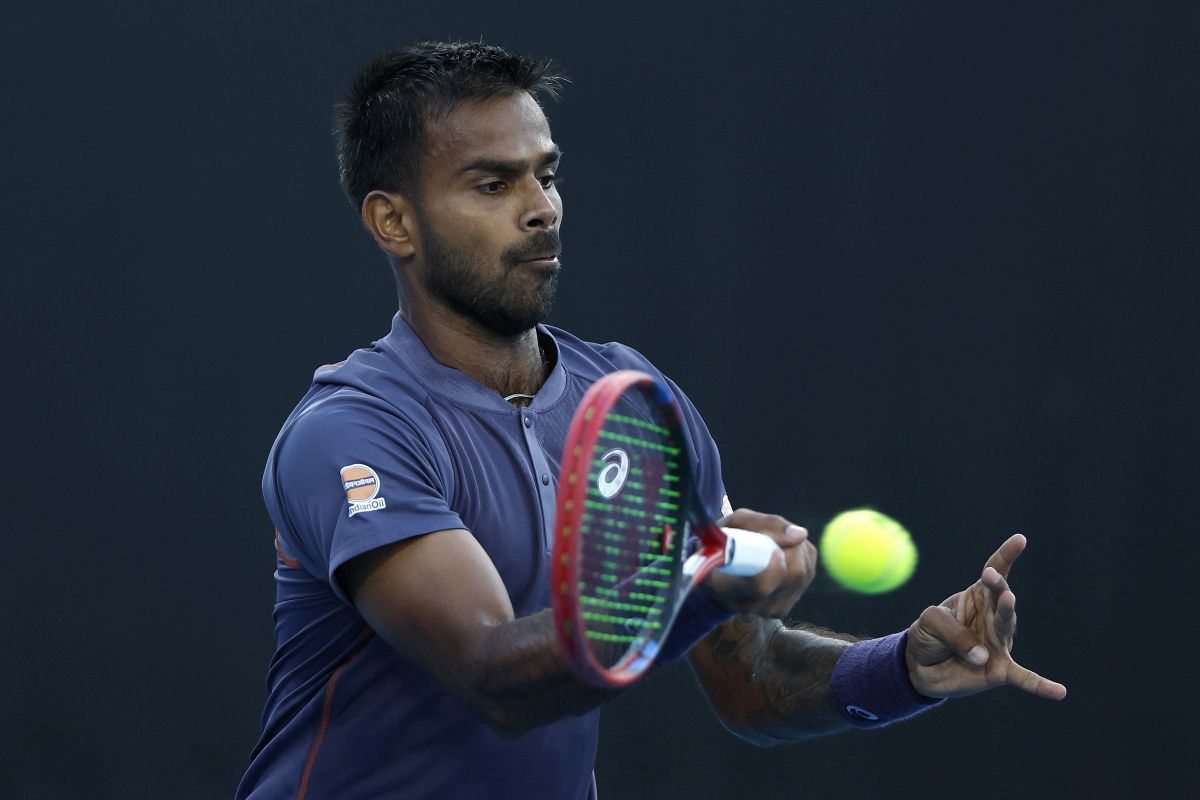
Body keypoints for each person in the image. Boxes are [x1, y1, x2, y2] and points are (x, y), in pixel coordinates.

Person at [236, 40, 1066, 800]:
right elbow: (492, 674)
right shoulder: (351, 431)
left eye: (547, 175)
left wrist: (903, 671)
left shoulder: (629, 393)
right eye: (493, 184)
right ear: (394, 222)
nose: (541, 209)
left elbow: (748, 681)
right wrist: (695, 580)